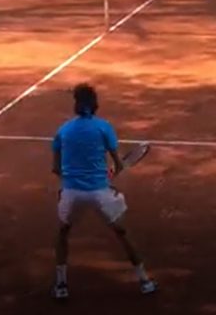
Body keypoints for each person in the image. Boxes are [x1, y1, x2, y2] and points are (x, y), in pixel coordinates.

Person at [51, 83, 156, 300]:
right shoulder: (104, 128)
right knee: (122, 233)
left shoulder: (63, 130)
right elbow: (118, 165)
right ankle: (145, 281)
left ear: (76, 104)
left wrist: (71, 181)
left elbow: (56, 169)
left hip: (71, 193)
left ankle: (61, 285)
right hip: (100, 192)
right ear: (95, 104)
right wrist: (107, 179)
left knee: (63, 234)